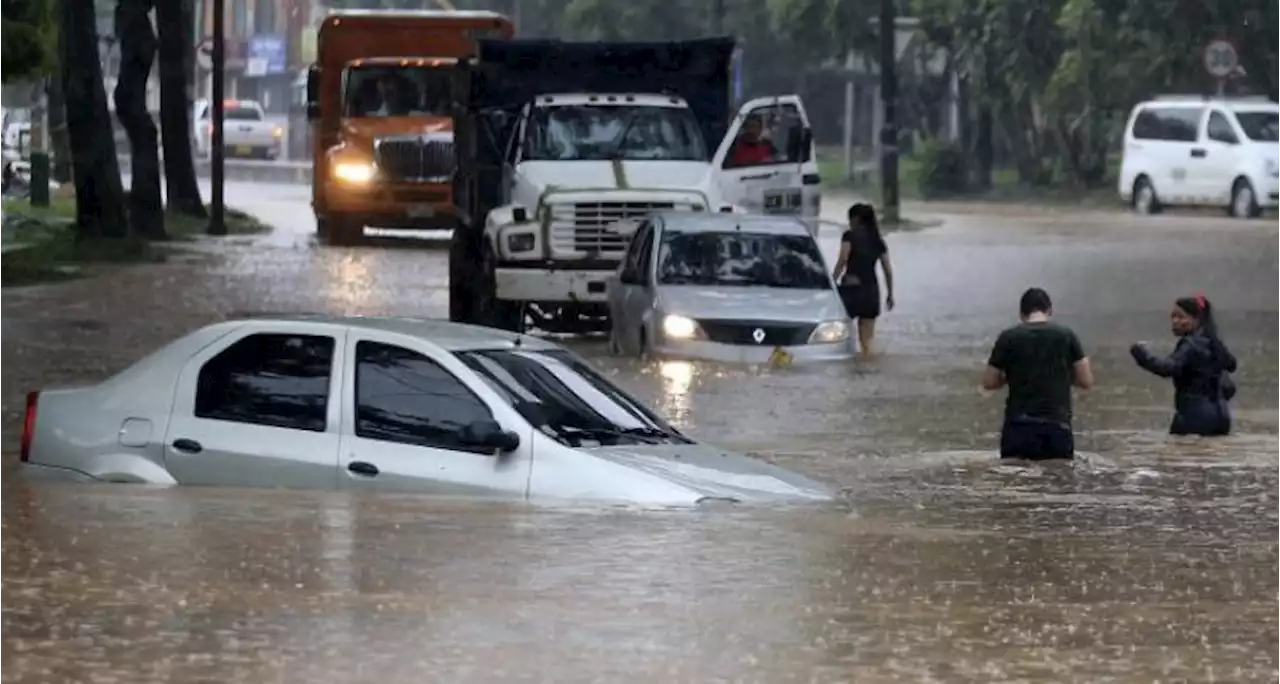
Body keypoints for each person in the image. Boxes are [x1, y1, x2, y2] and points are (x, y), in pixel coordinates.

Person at [982, 287, 1094, 460]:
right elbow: (1086, 380)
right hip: (1057, 426)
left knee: (1016, 481)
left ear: (1021, 313)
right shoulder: (1067, 336)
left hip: (1018, 427)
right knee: (1059, 480)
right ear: (1049, 310)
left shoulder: (1008, 337)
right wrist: (1060, 375)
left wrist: (1011, 376)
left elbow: (989, 382)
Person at [1130, 292, 1237, 436]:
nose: (1175, 321)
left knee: (1180, 457)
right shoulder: (1215, 344)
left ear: (1197, 319)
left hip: (1194, 417)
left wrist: (1141, 354)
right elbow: (1230, 376)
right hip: (1221, 418)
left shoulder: (1190, 344)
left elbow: (1167, 368)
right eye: (1173, 317)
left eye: (1181, 317)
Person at [831, 203, 895, 356]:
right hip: (871, 291)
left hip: (851, 289)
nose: (849, 222)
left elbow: (843, 260)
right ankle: (867, 369)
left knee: (838, 334)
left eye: (850, 219)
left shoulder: (849, 236)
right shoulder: (878, 240)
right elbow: (888, 269)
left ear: (856, 219)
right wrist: (890, 294)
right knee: (867, 341)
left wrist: (832, 282)